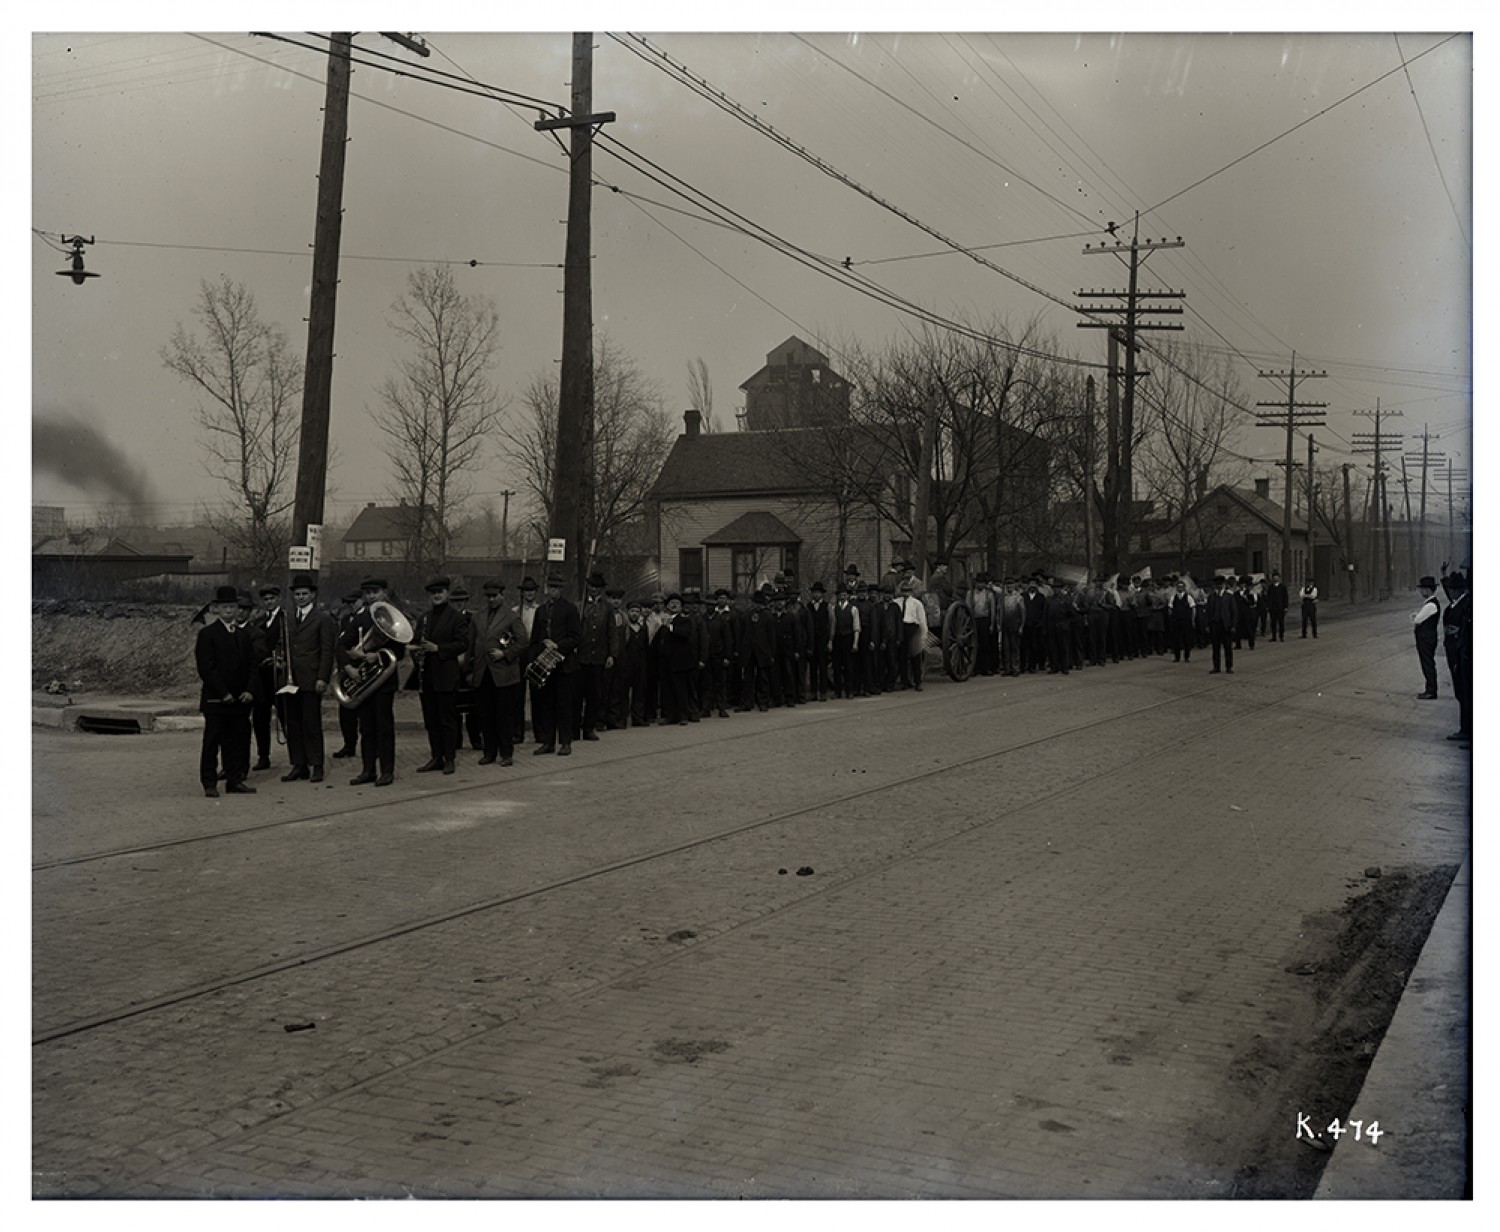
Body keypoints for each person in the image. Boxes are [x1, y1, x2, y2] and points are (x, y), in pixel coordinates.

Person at [196, 584, 259, 797]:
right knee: (212, 742)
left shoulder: (243, 635)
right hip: (217, 700)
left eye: (232, 606)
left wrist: (249, 690)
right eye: (224, 607)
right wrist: (223, 693)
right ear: (216, 609)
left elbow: (252, 665)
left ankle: (234, 780)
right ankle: (209, 783)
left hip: (240, 700)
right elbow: (207, 668)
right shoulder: (207, 634)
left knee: (236, 742)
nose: (229, 610)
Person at [341, 576, 404, 787]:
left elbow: (400, 651)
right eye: (367, 593)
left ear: (384, 593)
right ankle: (368, 770)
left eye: (375, 592)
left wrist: (377, 656)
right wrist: (349, 666)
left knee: (384, 727)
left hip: (384, 680)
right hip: (364, 681)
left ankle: (387, 771)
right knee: (366, 728)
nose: (371, 596)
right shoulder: (360, 619)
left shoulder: (393, 618)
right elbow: (341, 645)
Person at [280, 573, 336, 783]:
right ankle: (299, 765)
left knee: (311, 723)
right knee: (293, 723)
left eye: (304, 594)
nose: (301, 597)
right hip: (291, 679)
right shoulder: (288, 618)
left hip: (312, 678)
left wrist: (323, 677)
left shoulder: (323, 618)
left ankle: (317, 764)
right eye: (297, 594)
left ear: (312, 595)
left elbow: (327, 650)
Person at [467, 578, 529, 766]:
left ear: (502, 595)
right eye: (488, 596)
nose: (491, 599)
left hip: (504, 675)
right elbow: (471, 645)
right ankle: (489, 752)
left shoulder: (511, 617)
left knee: (504, 716)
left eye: (495, 596)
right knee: (485, 715)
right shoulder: (477, 617)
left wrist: (506, 654)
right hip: (483, 673)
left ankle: (506, 753)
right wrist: (469, 671)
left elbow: (523, 641)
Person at [410, 575, 467, 774]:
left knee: (447, 720)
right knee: (431, 720)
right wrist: (416, 651)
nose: (436, 596)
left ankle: (449, 758)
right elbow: (416, 642)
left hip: (446, 676)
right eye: (433, 593)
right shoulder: (424, 618)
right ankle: (436, 757)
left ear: (447, 593)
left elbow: (463, 643)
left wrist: (438, 648)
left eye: (440, 592)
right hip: (426, 677)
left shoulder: (456, 617)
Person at [530, 574, 582, 755]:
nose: (553, 590)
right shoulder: (541, 611)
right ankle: (548, 742)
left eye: (557, 587)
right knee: (546, 704)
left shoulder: (570, 609)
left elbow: (576, 637)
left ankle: (565, 742)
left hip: (564, 664)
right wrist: (535, 657)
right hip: (545, 663)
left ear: (561, 589)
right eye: (551, 587)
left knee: (564, 704)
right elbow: (535, 638)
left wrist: (558, 645)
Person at [249, 583, 286, 771]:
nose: (269, 602)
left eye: (272, 598)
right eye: (266, 599)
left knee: (286, 716)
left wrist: (281, 659)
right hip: (262, 678)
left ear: (279, 599)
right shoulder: (258, 622)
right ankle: (263, 756)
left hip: (280, 676)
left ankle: (297, 758)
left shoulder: (286, 619)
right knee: (260, 719)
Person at [330, 590, 363, 761]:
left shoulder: (367, 618)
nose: (351, 606)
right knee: (346, 710)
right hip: (347, 668)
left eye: (354, 602)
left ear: (361, 601)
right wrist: (344, 664)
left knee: (364, 710)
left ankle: (371, 746)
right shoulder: (345, 620)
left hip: (363, 666)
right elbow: (339, 645)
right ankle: (349, 744)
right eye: (348, 603)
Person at [1440, 570, 1471, 741]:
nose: (1450, 592)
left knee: (1465, 693)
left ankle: (1467, 730)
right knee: (1460, 692)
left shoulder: (1466, 604)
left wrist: (1461, 655)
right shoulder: (1456, 603)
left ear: (1459, 590)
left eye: (1453, 589)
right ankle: (1465, 729)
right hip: (1453, 653)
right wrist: (1444, 575)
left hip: (1461, 654)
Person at [1411, 576, 1441, 700]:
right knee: (1427, 663)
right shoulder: (1430, 604)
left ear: (1428, 590)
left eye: (1422, 589)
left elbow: (1417, 620)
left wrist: (1415, 617)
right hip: (1427, 637)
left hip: (1426, 638)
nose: (1421, 591)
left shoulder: (1430, 605)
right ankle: (1430, 689)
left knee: (1427, 664)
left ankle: (1431, 690)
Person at [899, 579, 927, 690]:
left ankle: (918, 682)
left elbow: (922, 620)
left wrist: (923, 636)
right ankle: (904, 682)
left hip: (913, 629)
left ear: (911, 592)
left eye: (907, 591)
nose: (905, 593)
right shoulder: (897, 602)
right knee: (902, 657)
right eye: (903, 591)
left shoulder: (917, 604)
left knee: (915, 657)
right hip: (902, 628)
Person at [1207, 576, 1236, 674]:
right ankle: (1216, 667)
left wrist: (1233, 625)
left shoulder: (1229, 596)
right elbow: (1208, 612)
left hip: (1226, 625)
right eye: (1217, 584)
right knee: (1215, 647)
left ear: (1223, 585)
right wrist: (1208, 625)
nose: (1219, 586)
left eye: (1220, 584)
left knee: (1228, 647)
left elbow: (1234, 612)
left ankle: (1229, 666)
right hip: (1215, 625)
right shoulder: (1211, 597)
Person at [1169, 578, 1196, 662]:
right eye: (1178, 587)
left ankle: (1186, 657)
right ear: (1176, 588)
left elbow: (1193, 608)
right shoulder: (1173, 597)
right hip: (1176, 621)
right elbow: (1170, 608)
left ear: (1184, 588)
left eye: (1181, 587)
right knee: (1176, 639)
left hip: (1186, 620)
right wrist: (1172, 618)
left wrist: (1193, 620)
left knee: (1187, 639)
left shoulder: (1188, 597)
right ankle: (1177, 657)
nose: (1180, 588)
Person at [1266, 570, 1289, 642]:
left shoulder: (1282, 587)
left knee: (1281, 623)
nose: (1275, 579)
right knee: (1273, 623)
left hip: (1280, 608)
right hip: (1273, 608)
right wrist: (1268, 606)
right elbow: (1268, 597)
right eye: (1274, 577)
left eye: (1276, 577)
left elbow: (1285, 597)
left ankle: (1281, 636)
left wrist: (1286, 607)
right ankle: (1274, 637)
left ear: (1279, 578)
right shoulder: (1270, 587)